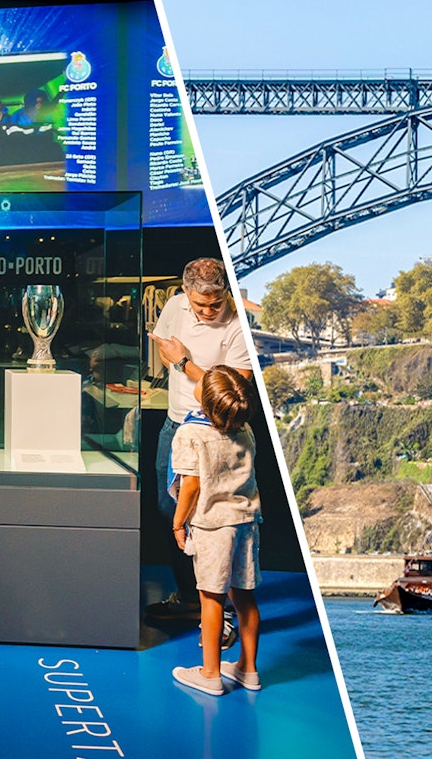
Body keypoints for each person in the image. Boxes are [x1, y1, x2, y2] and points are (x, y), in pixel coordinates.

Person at [147, 258, 253, 643]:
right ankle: (193, 598)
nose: (208, 312)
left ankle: (220, 610)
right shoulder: (175, 306)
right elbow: (163, 347)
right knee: (169, 508)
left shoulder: (238, 324)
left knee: (211, 521)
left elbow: (234, 388)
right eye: (200, 306)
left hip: (218, 429)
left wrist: (186, 364)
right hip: (176, 425)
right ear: (185, 292)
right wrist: (176, 360)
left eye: (215, 304)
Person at [170, 366, 263, 696]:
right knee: (244, 597)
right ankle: (247, 670)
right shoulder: (245, 428)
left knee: (211, 600)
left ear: (206, 403)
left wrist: (178, 522)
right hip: (247, 522)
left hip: (212, 526)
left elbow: (191, 486)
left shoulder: (190, 434)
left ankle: (210, 674)